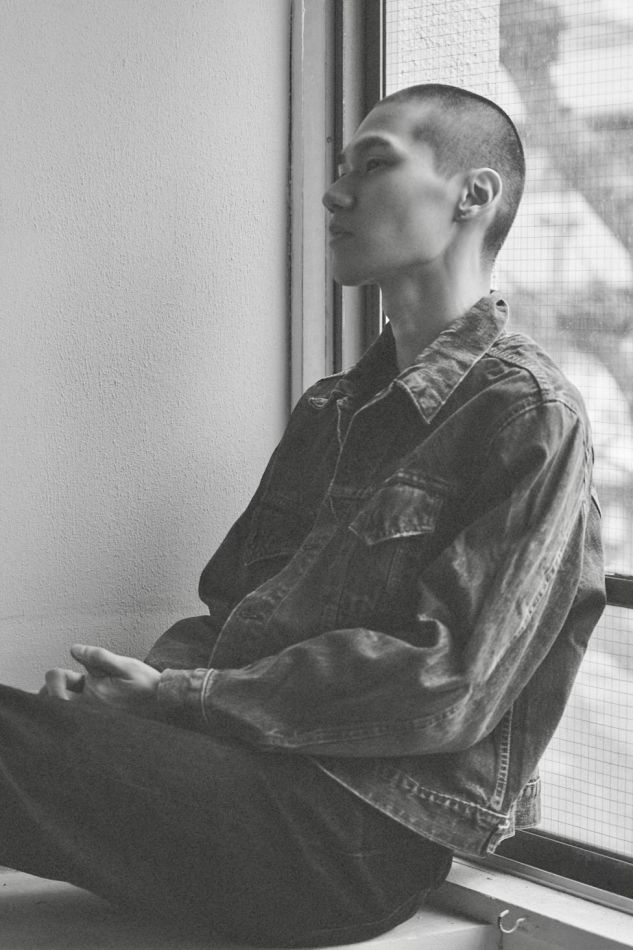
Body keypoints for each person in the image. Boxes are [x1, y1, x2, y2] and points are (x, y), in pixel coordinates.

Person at [0, 84, 605, 947]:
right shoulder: (330, 408)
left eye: (373, 164)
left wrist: (177, 696)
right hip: (246, 778)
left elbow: (450, 687)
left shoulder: (528, 413)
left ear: (473, 195)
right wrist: (121, 704)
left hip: (360, 836)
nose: (333, 193)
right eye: (338, 168)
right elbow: (232, 618)